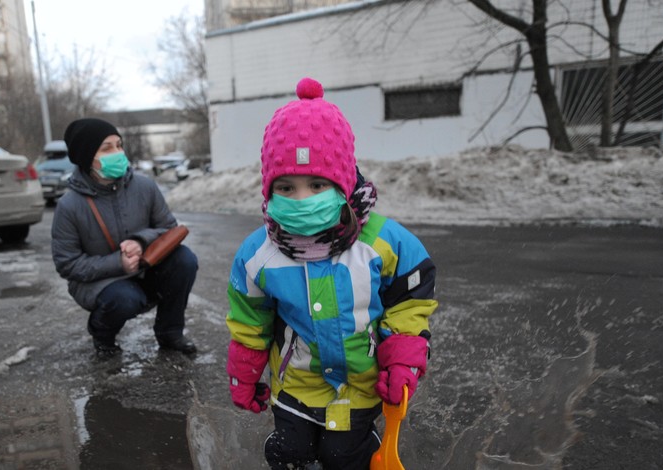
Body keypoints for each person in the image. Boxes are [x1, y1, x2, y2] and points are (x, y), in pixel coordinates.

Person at [225, 78, 438, 469]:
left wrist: (403, 355)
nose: (301, 199)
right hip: (296, 384)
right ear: (269, 190)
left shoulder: (383, 242)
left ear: (343, 183)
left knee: (343, 457)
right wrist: (245, 371)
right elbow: (249, 319)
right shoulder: (259, 254)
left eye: (317, 184)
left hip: (361, 382)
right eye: (286, 187)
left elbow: (410, 298)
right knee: (289, 454)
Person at [51, 117, 198, 358]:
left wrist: (141, 241)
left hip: (145, 266)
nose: (117, 153)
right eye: (107, 148)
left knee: (184, 260)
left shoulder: (144, 186)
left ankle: (170, 332)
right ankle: (102, 333)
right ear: (87, 156)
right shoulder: (69, 206)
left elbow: (168, 229)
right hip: (103, 282)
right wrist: (117, 263)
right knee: (124, 298)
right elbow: (67, 264)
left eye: (119, 145)